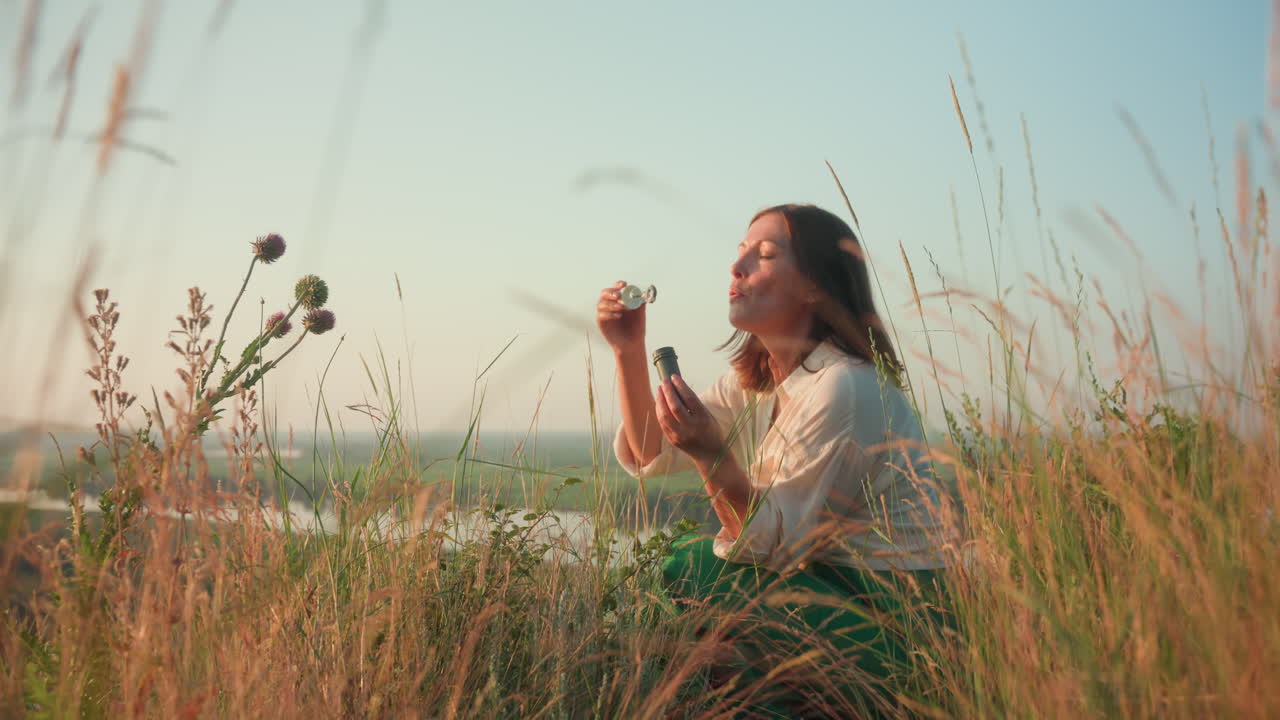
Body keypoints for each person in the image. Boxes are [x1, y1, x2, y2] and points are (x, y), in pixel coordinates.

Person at [595, 204, 957, 716]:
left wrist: (712, 456)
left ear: (814, 286)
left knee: (695, 569)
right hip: (830, 600)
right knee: (696, 566)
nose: (736, 267)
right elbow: (649, 451)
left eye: (763, 255)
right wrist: (629, 349)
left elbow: (774, 547)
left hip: (901, 626)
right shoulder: (760, 381)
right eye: (740, 252)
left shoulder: (845, 387)